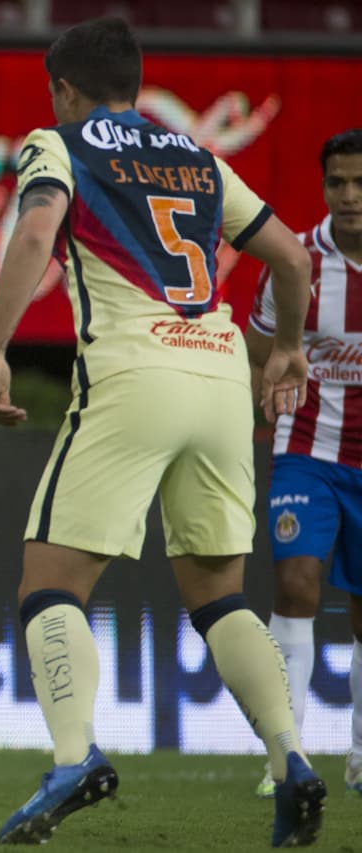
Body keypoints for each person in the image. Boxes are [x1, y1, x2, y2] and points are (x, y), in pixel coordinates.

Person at [0, 17, 325, 847]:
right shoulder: (197, 155)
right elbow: (293, 258)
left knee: (48, 585)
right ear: (135, 82)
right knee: (219, 594)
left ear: (63, 87)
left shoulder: (57, 142)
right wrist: (284, 350)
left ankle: (72, 757)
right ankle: (291, 760)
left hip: (132, 373)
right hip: (216, 377)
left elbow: (34, 232)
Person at [249, 128, 362, 800]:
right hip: (306, 453)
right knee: (295, 585)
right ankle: (285, 756)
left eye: (361, 183)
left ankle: (359, 755)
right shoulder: (297, 262)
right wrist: (264, 392)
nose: (350, 196)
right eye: (338, 183)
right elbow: (259, 344)